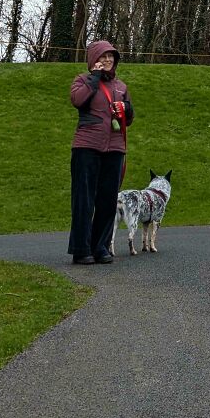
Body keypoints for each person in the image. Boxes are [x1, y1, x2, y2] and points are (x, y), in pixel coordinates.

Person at [68, 40, 134, 265]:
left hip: (114, 148)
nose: (107, 60)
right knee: (84, 200)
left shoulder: (121, 86)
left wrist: (128, 109)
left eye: (111, 56)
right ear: (93, 60)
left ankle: (101, 247)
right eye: (102, 56)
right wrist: (94, 79)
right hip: (87, 147)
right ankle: (81, 249)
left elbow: (129, 119)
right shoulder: (82, 80)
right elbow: (78, 100)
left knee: (107, 201)